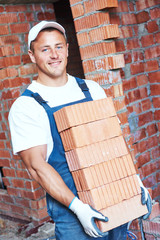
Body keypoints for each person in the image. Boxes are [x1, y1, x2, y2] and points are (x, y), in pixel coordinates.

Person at [8, 20, 152, 240]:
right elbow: (36, 166)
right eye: (45, 49)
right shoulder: (27, 106)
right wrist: (78, 207)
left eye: (58, 46)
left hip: (113, 197)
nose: (54, 55)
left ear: (67, 48)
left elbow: (113, 142)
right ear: (32, 55)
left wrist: (134, 182)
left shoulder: (92, 89)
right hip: (72, 211)